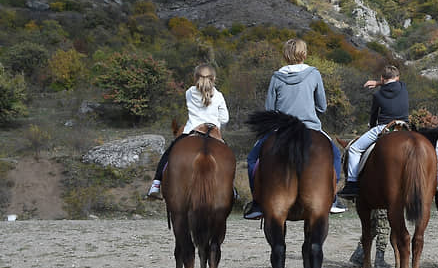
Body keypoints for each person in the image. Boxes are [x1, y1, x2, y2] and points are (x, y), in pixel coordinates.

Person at [244, 38, 345, 219]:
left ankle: (257, 203)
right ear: (304, 54)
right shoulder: (314, 74)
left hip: (281, 129)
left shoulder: (276, 77)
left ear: (285, 55)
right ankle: (333, 197)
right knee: (335, 155)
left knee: (253, 159)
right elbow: (322, 106)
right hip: (310, 127)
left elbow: (269, 109)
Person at [147, 64, 229, 199]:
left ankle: (155, 184)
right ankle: (231, 189)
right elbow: (225, 118)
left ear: (195, 77)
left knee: (169, 153)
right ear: (213, 78)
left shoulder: (189, 92)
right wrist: (215, 120)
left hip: (192, 131)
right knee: (227, 159)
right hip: (213, 132)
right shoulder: (219, 95)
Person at [337, 65, 409, 198]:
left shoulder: (378, 94)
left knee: (354, 149)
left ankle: (352, 184)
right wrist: (378, 82)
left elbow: (374, 117)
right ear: (398, 78)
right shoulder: (403, 87)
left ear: (382, 78)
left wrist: (377, 83)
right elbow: (391, 81)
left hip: (384, 127)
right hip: (404, 127)